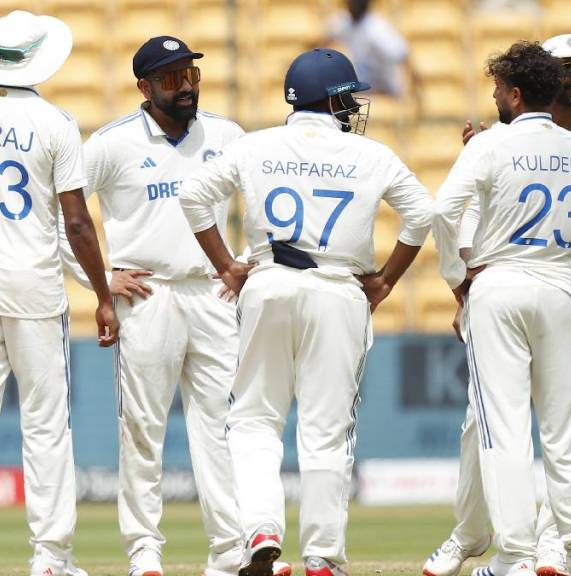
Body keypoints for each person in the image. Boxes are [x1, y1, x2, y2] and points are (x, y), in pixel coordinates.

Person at [179, 48, 433, 576]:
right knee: (325, 431)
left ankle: (262, 529)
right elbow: (422, 214)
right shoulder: (371, 154)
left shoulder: (256, 146)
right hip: (338, 290)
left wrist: (227, 265)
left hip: (267, 282)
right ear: (331, 98)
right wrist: (386, 279)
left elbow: (193, 198)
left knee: (252, 421)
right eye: (347, 96)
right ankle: (321, 555)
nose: (353, 105)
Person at [60, 35, 291, 576]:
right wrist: (101, 279)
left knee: (221, 426)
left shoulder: (228, 135)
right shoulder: (112, 144)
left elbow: (263, 201)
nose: (185, 86)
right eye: (170, 78)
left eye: (190, 75)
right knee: (143, 428)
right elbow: (60, 220)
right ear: (144, 86)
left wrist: (246, 263)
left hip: (212, 290)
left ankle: (230, 553)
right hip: (149, 293)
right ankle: (145, 551)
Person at [423, 33, 571, 576]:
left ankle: (517, 557)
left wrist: (458, 276)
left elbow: (445, 211)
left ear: (516, 93)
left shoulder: (493, 142)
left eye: (498, 88)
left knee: (505, 429)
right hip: (562, 288)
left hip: (503, 284)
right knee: (566, 433)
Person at [0, 11, 118, 576]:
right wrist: (104, 294)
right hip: (33, 287)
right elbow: (78, 224)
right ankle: (51, 557)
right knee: (46, 425)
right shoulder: (55, 122)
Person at [318, 0, 417, 98]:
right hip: (362, 80)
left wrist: (416, 91)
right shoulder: (344, 21)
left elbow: (403, 54)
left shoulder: (377, 29)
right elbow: (324, 41)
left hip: (384, 86)